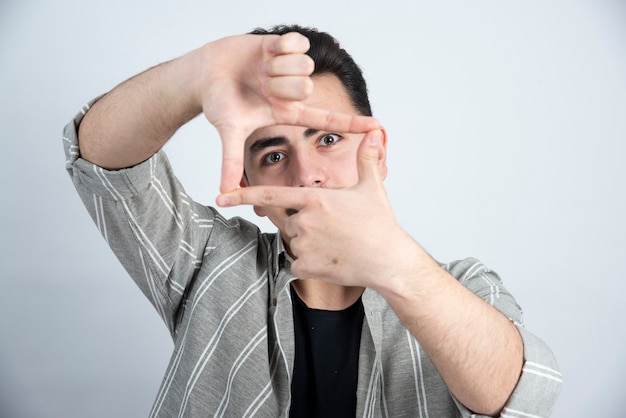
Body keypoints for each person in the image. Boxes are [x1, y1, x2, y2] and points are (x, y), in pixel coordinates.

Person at [63, 25, 562, 417]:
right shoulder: (208, 261)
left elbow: (522, 399)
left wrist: (393, 264)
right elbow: (103, 164)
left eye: (327, 139)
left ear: (377, 152)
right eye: (274, 154)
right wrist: (195, 75)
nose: (307, 176)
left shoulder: (465, 286)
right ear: (250, 184)